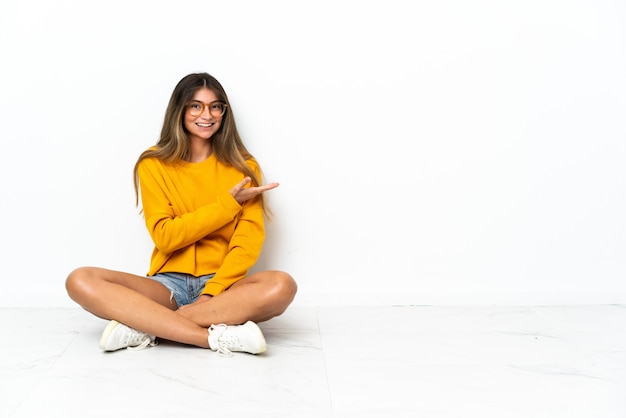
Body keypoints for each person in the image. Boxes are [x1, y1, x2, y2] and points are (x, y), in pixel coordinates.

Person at [65, 72, 297, 356]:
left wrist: (213, 291)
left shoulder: (243, 167)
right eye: (195, 105)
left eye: (215, 106)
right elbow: (167, 237)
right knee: (80, 279)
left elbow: (246, 243)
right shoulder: (153, 164)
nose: (207, 114)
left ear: (224, 113)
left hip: (224, 289)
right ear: (180, 110)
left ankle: (147, 325)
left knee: (282, 285)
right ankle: (213, 337)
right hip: (166, 286)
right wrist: (227, 205)